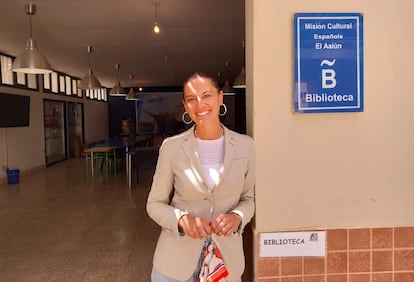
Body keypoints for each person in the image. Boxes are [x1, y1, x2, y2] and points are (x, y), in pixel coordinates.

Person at [146, 72, 255, 282]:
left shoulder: (246, 146)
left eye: (206, 96)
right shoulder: (172, 148)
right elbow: (154, 204)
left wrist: (237, 217)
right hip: (174, 265)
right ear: (185, 106)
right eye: (191, 99)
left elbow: (249, 198)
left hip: (226, 264)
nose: (200, 105)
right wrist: (182, 220)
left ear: (220, 98)